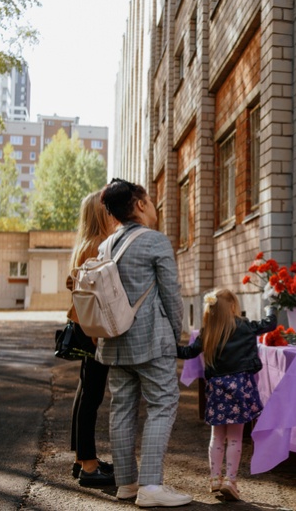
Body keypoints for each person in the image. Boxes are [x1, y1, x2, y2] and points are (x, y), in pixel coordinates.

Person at [96, 178, 191, 508]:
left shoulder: (105, 247)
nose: (153, 206)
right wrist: (176, 335)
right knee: (162, 404)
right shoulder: (155, 242)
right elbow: (171, 295)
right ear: (139, 204)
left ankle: (127, 483)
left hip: (114, 342)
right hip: (152, 341)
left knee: (121, 409)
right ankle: (151, 485)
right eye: (150, 200)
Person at [177, 288, 276, 500]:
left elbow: (187, 352)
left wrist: (165, 344)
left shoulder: (208, 332)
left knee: (217, 436)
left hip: (217, 390)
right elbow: (269, 325)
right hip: (240, 388)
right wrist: (271, 308)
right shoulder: (244, 327)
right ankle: (230, 480)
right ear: (232, 307)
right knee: (235, 438)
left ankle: (215, 479)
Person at [67, 191, 117, 486]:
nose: (111, 211)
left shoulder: (83, 245)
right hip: (93, 330)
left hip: (82, 327)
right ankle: (87, 466)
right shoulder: (99, 246)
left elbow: (70, 283)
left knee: (85, 392)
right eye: (106, 208)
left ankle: (82, 459)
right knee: (92, 396)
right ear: (100, 214)